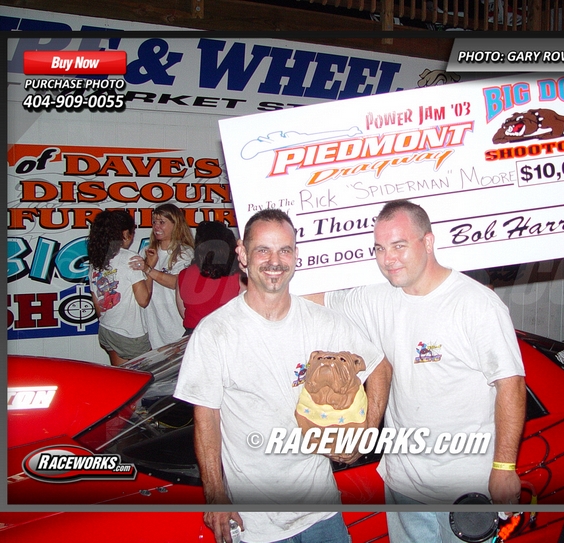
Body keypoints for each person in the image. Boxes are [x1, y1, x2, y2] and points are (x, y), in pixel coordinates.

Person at [173, 208, 392, 543]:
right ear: (242, 255)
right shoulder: (215, 332)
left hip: (322, 513)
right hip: (257, 524)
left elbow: (379, 366)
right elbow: (207, 416)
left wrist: (365, 433)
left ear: (295, 256)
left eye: (284, 250)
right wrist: (215, 494)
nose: (274, 261)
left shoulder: (322, 321)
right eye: (263, 250)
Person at [320, 200, 526, 543]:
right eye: (380, 248)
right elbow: (316, 299)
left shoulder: (475, 303)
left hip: (465, 490)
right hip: (403, 486)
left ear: (428, 242)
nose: (388, 258)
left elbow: (511, 384)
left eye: (399, 245)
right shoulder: (378, 298)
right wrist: (262, 272)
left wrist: (504, 468)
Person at [87, 210, 151, 366]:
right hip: (130, 334)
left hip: (107, 328)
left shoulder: (96, 260)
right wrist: (148, 270)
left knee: (122, 375)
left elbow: (97, 304)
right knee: (146, 378)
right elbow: (143, 300)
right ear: (125, 233)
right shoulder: (130, 258)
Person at [131, 203, 194, 349]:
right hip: (152, 327)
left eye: (162, 222)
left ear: (175, 224)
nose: (156, 227)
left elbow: (176, 282)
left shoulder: (185, 252)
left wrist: (148, 268)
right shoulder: (146, 251)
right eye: (154, 222)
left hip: (176, 326)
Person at [176, 221, 246, 335]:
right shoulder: (238, 275)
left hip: (194, 335)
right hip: (227, 334)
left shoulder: (184, 274)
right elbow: (246, 310)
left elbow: (184, 312)